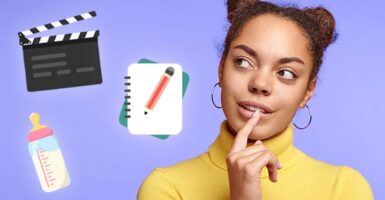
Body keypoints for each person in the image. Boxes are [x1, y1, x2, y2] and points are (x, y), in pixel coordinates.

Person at [137, 0, 374, 199]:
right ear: (221, 69)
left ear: (307, 91)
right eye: (243, 62)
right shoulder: (166, 187)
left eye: (286, 73)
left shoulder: (344, 189)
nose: (260, 84)